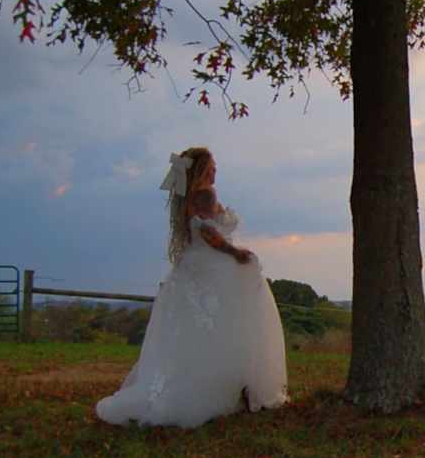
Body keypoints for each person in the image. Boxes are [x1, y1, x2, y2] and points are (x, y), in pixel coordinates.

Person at [96, 147, 288, 427]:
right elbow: (207, 231)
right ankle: (238, 387)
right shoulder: (206, 194)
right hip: (212, 265)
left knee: (195, 331)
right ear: (200, 169)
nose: (215, 171)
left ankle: (222, 387)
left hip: (192, 267)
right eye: (212, 166)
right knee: (231, 323)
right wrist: (236, 253)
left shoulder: (186, 197)